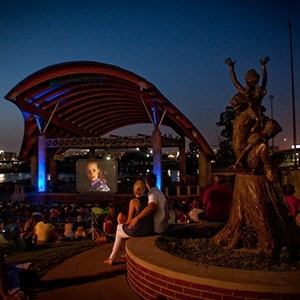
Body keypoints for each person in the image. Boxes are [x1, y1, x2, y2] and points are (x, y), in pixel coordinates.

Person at [103, 180, 153, 266]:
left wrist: (122, 223)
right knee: (122, 229)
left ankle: (111, 257)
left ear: (134, 190)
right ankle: (125, 254)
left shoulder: (134, 202)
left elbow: (129, 221)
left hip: (138, 230)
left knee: (119, 229)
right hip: (148, 229)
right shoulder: (149, 199)